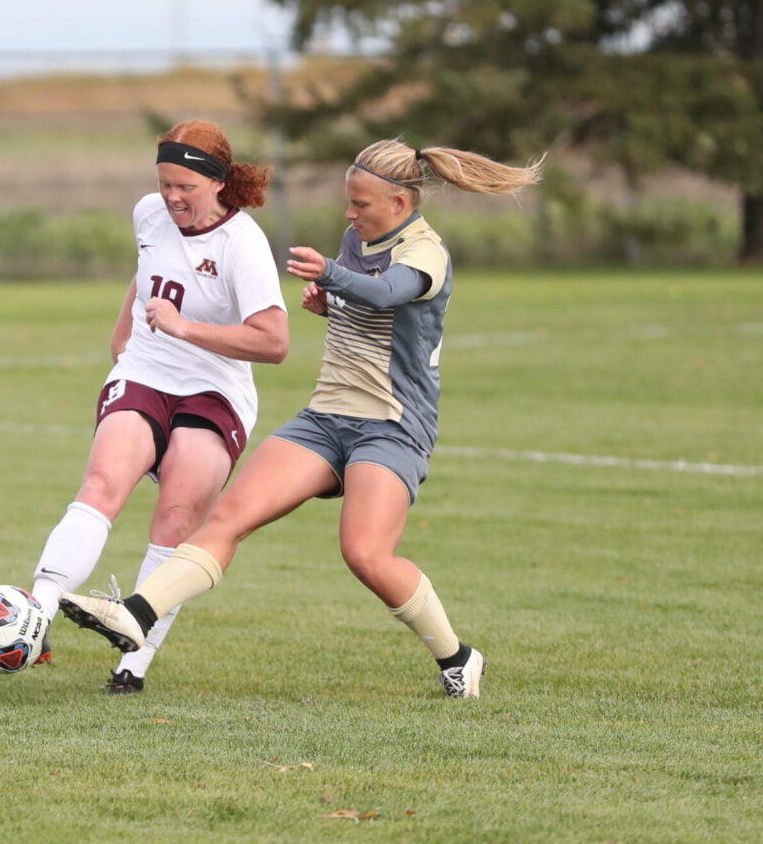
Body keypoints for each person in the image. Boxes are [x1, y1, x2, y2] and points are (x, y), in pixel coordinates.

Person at [59, 137, 544, 698]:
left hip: (392, 426)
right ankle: (136, 616)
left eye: (361, 205)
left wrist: (335, 279)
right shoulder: (357, 238)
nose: (350, 214)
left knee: (364, 553)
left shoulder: (425, 252)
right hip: (325, 418)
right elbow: (365, 307)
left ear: (400, 205)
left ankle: (458, 656)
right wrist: (330, 304)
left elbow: (389, 293)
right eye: (349, 202)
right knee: (228, 517)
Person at [30, 119, 289, 693]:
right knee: (100, 486)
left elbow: (274, 342)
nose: (172, 197)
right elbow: (146, 271)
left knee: (176, 518)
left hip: (215, 391)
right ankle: (36, 616)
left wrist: (184, 328)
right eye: (165, 183)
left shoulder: (242, 243)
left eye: (186, 188)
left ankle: (133, 662)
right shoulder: (147, 212)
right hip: (146, 372)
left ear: (219, 183)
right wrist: (123, 335)